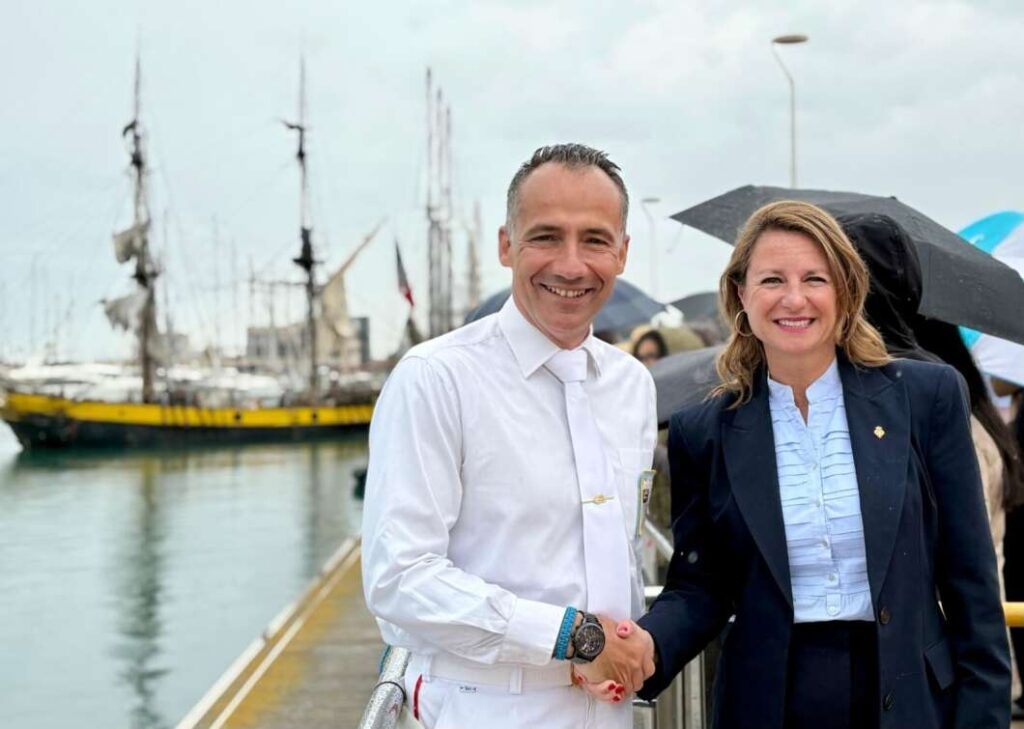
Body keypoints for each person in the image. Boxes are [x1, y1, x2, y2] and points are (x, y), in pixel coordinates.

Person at [600, 201, 1009, 728]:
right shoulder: (703, 431)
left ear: (844, 292)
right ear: (741, 296)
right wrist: (647, 648)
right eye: (772, 279)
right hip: (767, 704)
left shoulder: (926, 398)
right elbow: (700, 587)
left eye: (814, 278)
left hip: (907, 701)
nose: (794, 298)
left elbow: (972, 585)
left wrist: (984, 717)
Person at [361, 143, 657, 729]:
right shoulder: (436, 379)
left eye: (595, 240)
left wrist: (620, 640)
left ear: (622, 253)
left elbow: (621, 546)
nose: (571, 265)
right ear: (506, 245)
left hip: (607, 708)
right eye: (546, 236)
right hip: (483, 704)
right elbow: (400, 579)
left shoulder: (631, 385)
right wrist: (575, 636)